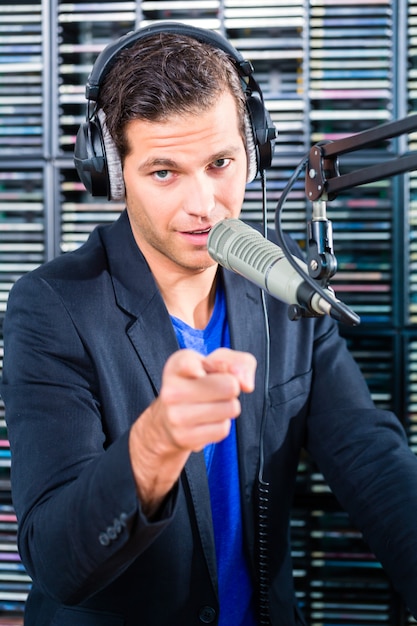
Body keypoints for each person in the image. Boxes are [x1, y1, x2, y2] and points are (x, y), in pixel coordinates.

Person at [2, 21, 417, 626]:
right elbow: (57, 558)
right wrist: (157, 443)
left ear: (254, 150)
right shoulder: (51, 306)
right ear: (115, 175)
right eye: (165, 172)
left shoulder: (285, 285)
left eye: (221, 162)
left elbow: (370, 458)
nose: (205, 205)